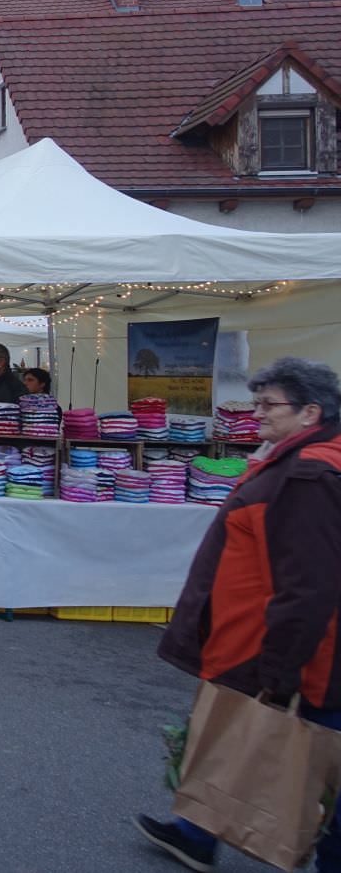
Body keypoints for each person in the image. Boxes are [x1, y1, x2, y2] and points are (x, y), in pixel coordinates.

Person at [135, 357, 341, 873]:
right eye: (257, 402)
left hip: (291, 650)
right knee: (240, 734)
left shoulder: (310, 474)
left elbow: (309, 584)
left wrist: (281, 667)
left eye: (269, 404)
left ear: (310, 411)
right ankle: (195, 833)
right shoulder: (294, 459)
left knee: (308, 755)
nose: (258, 413)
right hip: (264, 639)